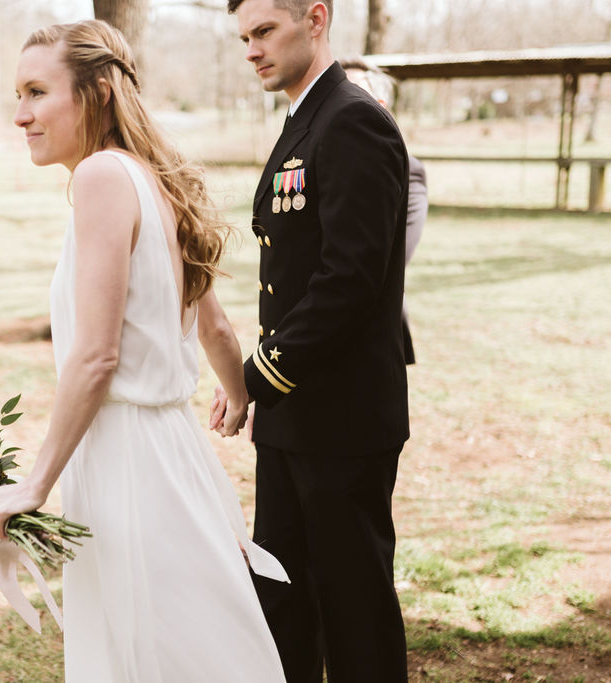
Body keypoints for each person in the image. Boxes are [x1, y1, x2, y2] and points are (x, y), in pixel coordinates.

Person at [0, 19, 288, 681]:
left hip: (130, 461)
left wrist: (33, 484)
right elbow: (218, 328)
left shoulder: (101, 178)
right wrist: (237, 392)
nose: (20, 114)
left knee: (152, 649)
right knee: (193, 634)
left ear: (99, 93)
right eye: (18, 95)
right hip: (171, 449)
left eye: (36, 92)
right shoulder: (153, 177)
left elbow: (96, 356)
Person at [214, 1, 410, 680]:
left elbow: (350, 279)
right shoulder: (305, 119)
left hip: (344, 418)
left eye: (264, 31)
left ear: (316, 18)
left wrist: (257, 375)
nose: (251, 50)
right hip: (294, 419)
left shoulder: (353, 120)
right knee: (286, 604)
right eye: (243, 36)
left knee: (355, 616)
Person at [341, 56, 427, 365]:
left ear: (380, 104)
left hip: (370, 335)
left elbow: (387, 257)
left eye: (350, 94)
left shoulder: (409, 171)